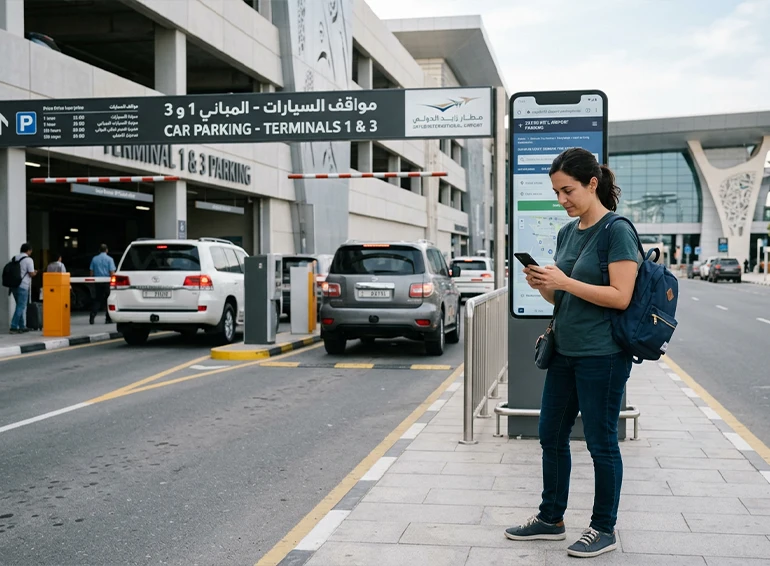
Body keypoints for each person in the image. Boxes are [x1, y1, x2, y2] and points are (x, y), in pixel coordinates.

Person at [505, 148, 639, 558]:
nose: (561, 199)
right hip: (564, 350)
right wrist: (543, 284)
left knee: (601, 442)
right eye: (556, 192)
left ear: (592, 184)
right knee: (551, 434)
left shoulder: (617, 230)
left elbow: (621, 296)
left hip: (603, 355)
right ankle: (551, 518)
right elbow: (561, 296)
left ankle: (604, 528)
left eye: (567, 190)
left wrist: (564, 282)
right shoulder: (567, 232)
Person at [10, 243, 37, 334]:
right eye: (30, 251)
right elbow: (31, 273)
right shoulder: (28, 260)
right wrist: (35, 272)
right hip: (23, 286)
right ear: (28, 250)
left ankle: (22, 326)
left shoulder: (15, 258)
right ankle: (14, 326)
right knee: (21, 306)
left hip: (13, 285)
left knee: (19, 306)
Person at [89, 243, 116, 324]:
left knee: (98, 299)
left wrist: (91, 280)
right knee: (109, 299)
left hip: (98, 281)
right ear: (107, 250)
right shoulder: (110, 259)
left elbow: (91, 271)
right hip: (107, 282)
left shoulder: (94, 259)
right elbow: (112, 272)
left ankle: (92, 315)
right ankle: (108, 318)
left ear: (99, 250)